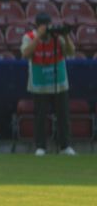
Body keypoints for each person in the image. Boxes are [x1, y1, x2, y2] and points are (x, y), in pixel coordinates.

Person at [21, 12, 77, 156]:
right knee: (40, 116)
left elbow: (71, 53)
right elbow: (26, 54)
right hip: (40, 84)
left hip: (59, 82)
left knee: (63, 115)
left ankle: (65, 146)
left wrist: (65, 36)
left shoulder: (57, 37)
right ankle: (41, 146)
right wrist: (39, 37)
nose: (47, 28)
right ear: (38, 26)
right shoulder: (29, 37)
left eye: (48, 24)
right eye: (44, 25)